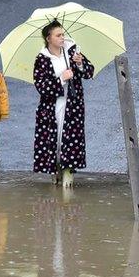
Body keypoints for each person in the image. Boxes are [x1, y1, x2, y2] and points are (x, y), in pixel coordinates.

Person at [32, 19, 94, 187]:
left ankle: (68, 171)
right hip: (51, 106)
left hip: (73, 104)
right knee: (54, 137)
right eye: (58, 35)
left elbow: (89, 72)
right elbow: (41, 86)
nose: (62, 38)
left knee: (71, 137)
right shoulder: (42, 59)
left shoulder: (71, 50)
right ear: (48, 38)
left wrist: (80, 63)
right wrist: (61, 79)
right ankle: (55, 169)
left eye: (63, 34)